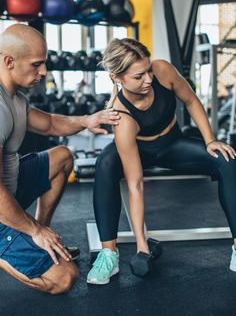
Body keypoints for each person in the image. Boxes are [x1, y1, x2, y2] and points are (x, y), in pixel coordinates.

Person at [87, 37, 236, 285]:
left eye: (148, 71)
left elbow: (190, 100)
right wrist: (142, 246)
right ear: (117, 78)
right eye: (138, 76)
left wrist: (210, 140)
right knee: (105, 164)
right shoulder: (120, 116)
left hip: (172, 145)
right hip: (138, 151)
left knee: (226, 158)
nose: (148, 79)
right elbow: (135, 185)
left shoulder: (162, 70)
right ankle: (108, 253)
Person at [0, 24, 120, 294]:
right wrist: (34, 231)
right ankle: (35, 237)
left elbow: (49, 124)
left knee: (62, 156)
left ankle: (41, 234)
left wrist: (89, 120)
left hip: (11, 189)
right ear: (9, 61)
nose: (43, 72)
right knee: (64, 278)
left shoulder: (15, 99)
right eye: (36, 64)